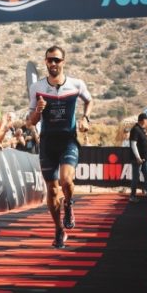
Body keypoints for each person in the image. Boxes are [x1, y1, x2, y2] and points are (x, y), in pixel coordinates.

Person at [28, 45, 92, 249]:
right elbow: (31, 121)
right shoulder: (37, 87)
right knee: (52, 190)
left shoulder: (76, 84)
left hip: (68, 140)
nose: (53, 63)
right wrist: (38, 111)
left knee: (66, 180)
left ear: (64, 61)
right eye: (50, 60)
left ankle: (69, 204)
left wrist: (86, 118)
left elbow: (89, 101)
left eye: (57, 60)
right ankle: (58, 229)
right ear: (45, 62)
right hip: (47, 142)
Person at [129, 112, 147, 202]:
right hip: (137, 159)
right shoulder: (135, 129)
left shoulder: (142, 129)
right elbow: (133, 144)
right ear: (143, 120)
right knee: (136, 177)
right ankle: (132, 196)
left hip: (146, 157)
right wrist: (138, 157)